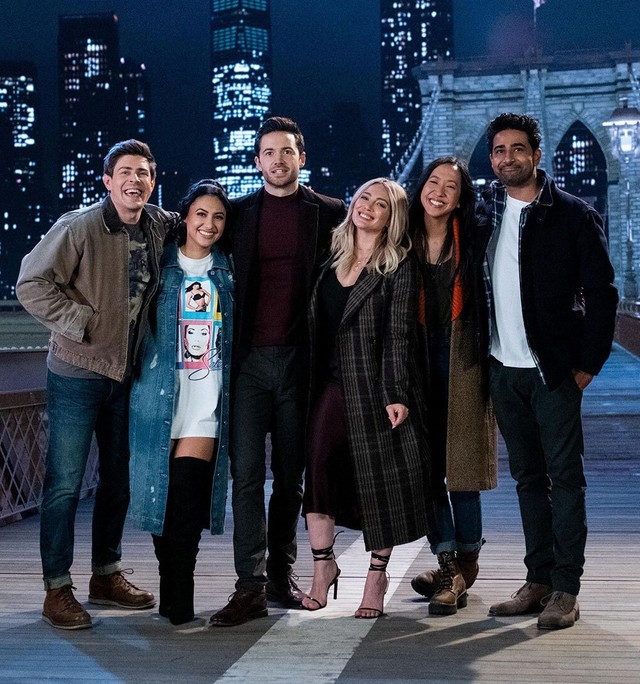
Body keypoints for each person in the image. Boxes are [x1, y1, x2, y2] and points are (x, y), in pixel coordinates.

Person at [16, 139, 171, 630]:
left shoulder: (160, 225)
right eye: (125, 171)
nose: (135, 180)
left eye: (144, 173)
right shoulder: (79, 226)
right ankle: (56, 590)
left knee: (118, 480)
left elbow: (210, 227)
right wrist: (79, 321)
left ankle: (105, 574)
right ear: (107, 181)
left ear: (152, 180)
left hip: (128, 374)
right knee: (63, 483)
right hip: (78, 372)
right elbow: (30, 283)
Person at [477, 113, 618, 630]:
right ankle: (536, 580)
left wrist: (586, 366)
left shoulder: (575, 216)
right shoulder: (483, 215)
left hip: (551, 372)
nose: (507, 158)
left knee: (567, 481)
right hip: (502, 369)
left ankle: (566, 589)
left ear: (537, 155)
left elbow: (603, 294)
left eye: (517, 149)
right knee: (527, 479)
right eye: (498, 150)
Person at [209, 117, 346, 627]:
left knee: (290, 478)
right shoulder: (238, 215)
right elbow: (189, 245)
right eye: (268, 152)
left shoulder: (331, 213)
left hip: (300, 363)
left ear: (300, 158)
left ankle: (279, 576)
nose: (278, 160)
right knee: (245, 477)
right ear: (257, 161)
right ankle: (248, 586)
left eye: (287, 151)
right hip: (247, 364)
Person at [301, 178, 432, 618]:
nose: (369, 208)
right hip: (329, 384)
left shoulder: (399, 265)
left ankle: (376, 579)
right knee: (317, 471)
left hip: (374, 388)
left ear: (392, 217)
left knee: (378, 482)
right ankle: (323, 568)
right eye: (364, 199)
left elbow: (399, 335)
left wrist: (395, 392)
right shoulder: (330, 257)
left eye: (381, 204)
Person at [128, 179, 234, 625]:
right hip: (156, 395)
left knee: (187, 499)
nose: (209, 225)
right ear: (185, 219)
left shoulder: (228, 271)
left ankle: (180, 592)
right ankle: (169, 583)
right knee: (161, 497)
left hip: (205, 399)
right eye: (201, 215)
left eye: (218, 217)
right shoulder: (160, 266)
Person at [408, 157, 497, 616]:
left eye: (452, 186)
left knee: (460, 469)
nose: (440, 191)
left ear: (462, 197)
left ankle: (464, 563)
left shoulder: (477, 236)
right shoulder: (402, 239)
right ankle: (449, 563)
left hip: (463, 355)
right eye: (433, 182)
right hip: (416, 359)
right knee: (425, 469)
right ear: (420, 187)